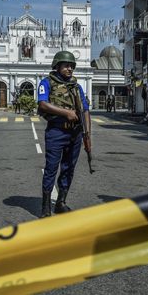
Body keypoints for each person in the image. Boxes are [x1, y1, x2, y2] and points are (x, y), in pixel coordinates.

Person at [37, 51, 91, 218]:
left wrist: (87, 134)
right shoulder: (46, 83)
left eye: (71, 66)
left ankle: (61, 202)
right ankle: (46, 206)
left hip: (74, 132)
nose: (69, 68)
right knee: (51, 167)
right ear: (57, 66)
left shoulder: (77, 86)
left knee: (69, 168)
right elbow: (43, 104)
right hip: (57, 131)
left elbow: (85, 110)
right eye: (66, 65)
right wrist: (65, 113)